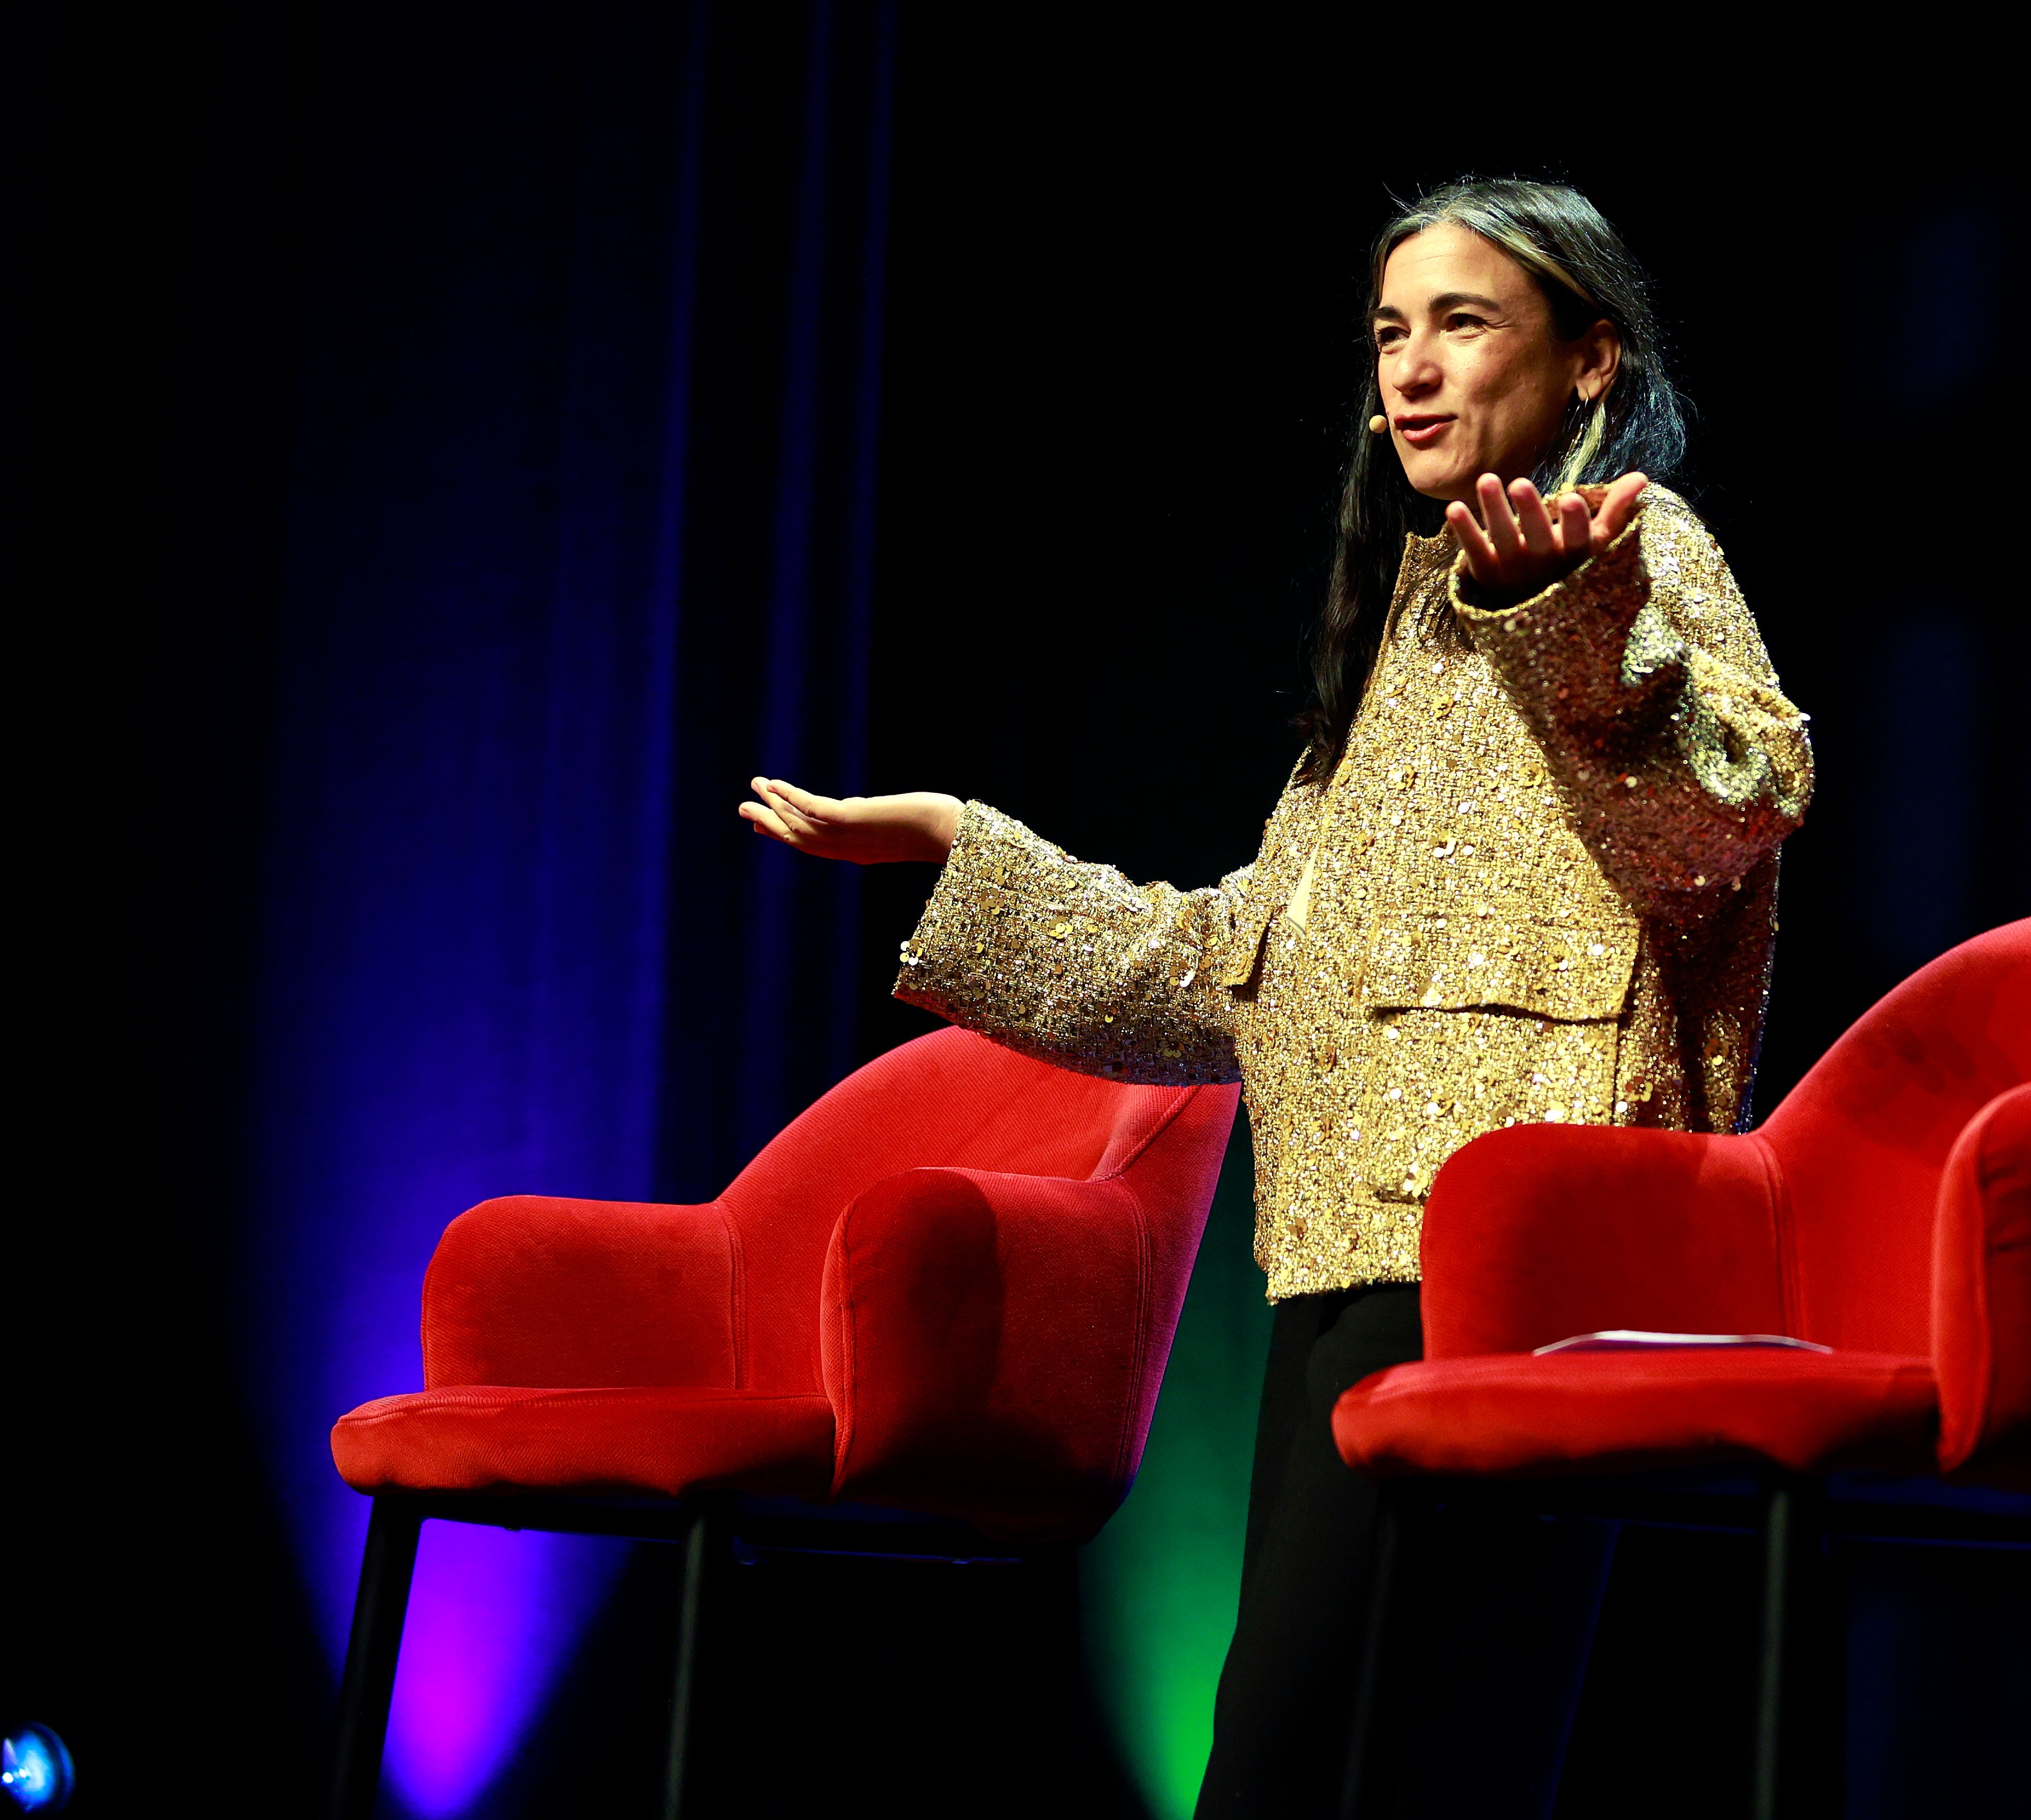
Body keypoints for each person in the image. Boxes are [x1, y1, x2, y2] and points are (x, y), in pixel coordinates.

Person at [740, 176, 1812, 1819]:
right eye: (1391, 330)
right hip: (1348, 1243)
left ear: (1591, 360)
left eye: (1465, 323)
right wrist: (972, 853)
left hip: (1512, 1240)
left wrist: (1570, 622)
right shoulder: (1407, 628)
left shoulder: (1629, 548)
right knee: (1335, 1751)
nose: (1413, 370)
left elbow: (1728, 811)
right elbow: (1239, 965)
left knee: (1363, 1751)